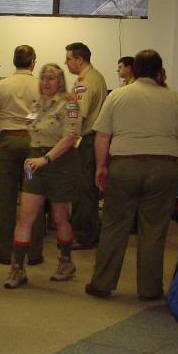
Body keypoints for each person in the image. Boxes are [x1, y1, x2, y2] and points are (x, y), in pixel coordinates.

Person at [85, 50, 178, 300]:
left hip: (124, 167)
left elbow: (102, 136)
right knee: (154, 229)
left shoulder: (116, 96)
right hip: (163, 169)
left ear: (134, 70)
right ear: (159, 71)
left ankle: (102, 283)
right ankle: (149, 289)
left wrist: (101, 167)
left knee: (114, 226)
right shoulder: (174, 98)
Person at [2, 63, 82, 289]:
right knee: (25, 216)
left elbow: (70, 137)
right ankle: (17, 268)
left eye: (51, 78)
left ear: (60, 81)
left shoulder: (70, 104)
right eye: (43, 78)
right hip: (35, 161)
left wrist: (46, 159)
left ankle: (66, 262)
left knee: (59, 217)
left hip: (60, 162)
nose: (45, 82)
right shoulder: (37, 104)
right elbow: (30, 125)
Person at [0, 45, 46, 265]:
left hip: (8, 144)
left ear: (14, 61)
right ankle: (34, 253)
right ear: (33, 62)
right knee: (33, 197)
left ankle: (2, 252)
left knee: (6, 199)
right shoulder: (40, 86)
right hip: (32, 146)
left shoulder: (1, 85)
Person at [64, 42, 107, 250]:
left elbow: (77, 114)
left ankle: (83, 236)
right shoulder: (94, 77)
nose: (66, 63)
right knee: (86, 189)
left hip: (85, 140)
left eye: (68, 59)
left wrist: (68, 138)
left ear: (79, 60)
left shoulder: (85, 82)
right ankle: (88, 232)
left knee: (83, 190)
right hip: (91, 139)